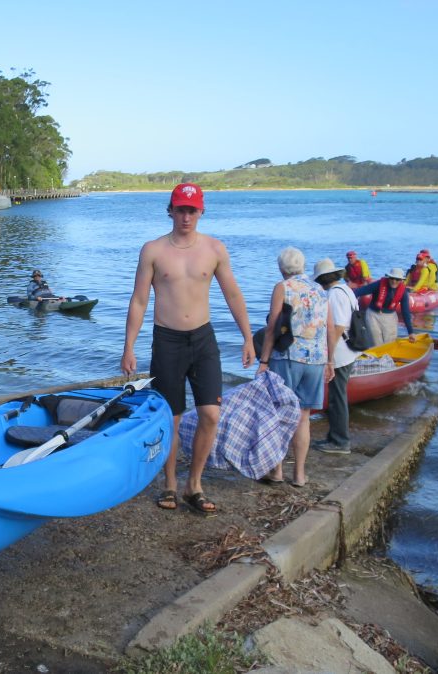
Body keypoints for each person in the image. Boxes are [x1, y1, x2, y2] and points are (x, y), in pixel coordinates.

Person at [121, 182, 255, 515]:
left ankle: (194, 484)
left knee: (211, 413)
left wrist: (248, 337)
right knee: (172, 418)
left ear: (201, 212)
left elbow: (233, 294)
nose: (186, 216)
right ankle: (169, 484)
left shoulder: (214, 249)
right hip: (167, 341)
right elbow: (139, 300)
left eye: (192, 210)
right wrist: (129, 347)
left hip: (203, 339)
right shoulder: (152, 250)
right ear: (170, 210)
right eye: (181, 209)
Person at [257, 247, 334, 488]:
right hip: (316, 359)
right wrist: (330, 360)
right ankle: (299, 475)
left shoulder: (283, 287)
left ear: (282, 268)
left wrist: (264, 360)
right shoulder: (320, 289)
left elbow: (273, 326)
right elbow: (329, 327)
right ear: (302, 266)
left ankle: (277, 470)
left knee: (280, 414)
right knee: (303, 418)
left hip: (287, 356)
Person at [311, 258, 358, 454]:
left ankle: (340, 441)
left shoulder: (334, 295)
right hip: (349, 350)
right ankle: (334, 437)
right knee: (337, 395)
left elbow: (338, 326)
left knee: (337, 397)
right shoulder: (346, 290)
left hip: (340, 353)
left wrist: (329, 356)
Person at [355, 267, 416, 348]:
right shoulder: (378, 284)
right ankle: (374, 359)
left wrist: (410, 332)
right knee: (375, 343)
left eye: (397, 279)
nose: (394, 281)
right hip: (373, 316)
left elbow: (405, 312)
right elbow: (360, 291)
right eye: (392, 278)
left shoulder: (403, 292)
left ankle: (388, 359)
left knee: (389, 343)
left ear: (401, 280)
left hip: (390, 317)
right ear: (388, 277)